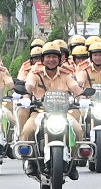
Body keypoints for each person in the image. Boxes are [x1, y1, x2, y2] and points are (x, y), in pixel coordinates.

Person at [19, 40, 87, 177]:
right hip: (39, 113)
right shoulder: (35, 73)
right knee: (28, 130)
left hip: (63, 113)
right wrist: (26, 96)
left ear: (60, 58)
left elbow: (75, 87)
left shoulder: (66, 74)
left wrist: (82, 98)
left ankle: (73, 162)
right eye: (48, 57)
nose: (51, 60)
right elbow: (29, 85)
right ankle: (31, 161)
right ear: (43, 59)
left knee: (78, 131)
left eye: (54, 56)